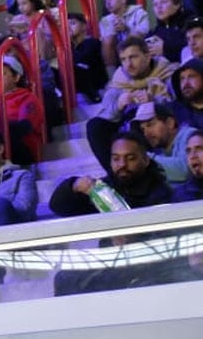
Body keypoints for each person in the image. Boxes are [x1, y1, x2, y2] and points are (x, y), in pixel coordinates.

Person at [86, 37, 176, 173]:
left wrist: (154, 101)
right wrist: (119, 105)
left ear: (147, 56)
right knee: (95, 126)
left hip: (155, 128)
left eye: (133, 57)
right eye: (123, 59)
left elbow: (178, 106)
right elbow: (105, 113)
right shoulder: (118, 81)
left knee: (140, 118)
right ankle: (116, 175)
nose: (128, 64)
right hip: (125, 128)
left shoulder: (166, 72)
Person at [50, 131, 172, 216]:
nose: (122, 164)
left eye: (130, 158)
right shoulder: (103, 189)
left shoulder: (162, 194)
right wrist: (74, 185)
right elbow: (58, 206)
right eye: (116, 158)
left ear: (145, 160)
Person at [137, 102, 196, 184]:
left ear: (170, 123)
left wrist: (144, 157)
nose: (146, 134)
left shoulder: (191, 136)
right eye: (143, 129)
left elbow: (185, 170)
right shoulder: (160, 152)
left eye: (150, 125)